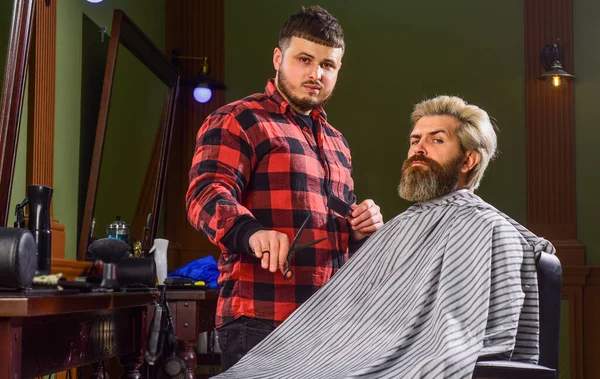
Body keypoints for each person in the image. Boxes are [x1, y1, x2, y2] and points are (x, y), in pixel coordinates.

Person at [212, 95, 556, 378]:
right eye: (415, 140)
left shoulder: (487, 229)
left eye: (437, 140)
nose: (419, 148)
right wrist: (359, 236)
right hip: (289, 329)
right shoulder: (404, 225)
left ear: (468, 159)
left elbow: (465, 336)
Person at [185, 6, 383, 371]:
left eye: (328, 65)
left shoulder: (337, 143)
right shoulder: (239, 119)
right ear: (279, 57)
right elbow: (205, 195)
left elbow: (338, 232)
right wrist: (251, 232)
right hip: (261, 321)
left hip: (331, 324)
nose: (315, 74)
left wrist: (358, 229)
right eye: (304, 59)